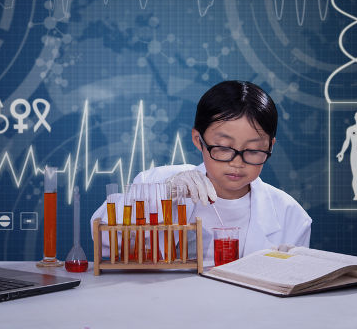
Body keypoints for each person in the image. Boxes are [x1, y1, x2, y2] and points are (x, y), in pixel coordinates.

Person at [90, 80, 312, 263]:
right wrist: (160, 196)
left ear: (270, 146)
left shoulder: (291, 215)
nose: (237, 162)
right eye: (224, 148)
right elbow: (105, 241)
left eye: (253, 150)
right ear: (198, 140)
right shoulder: (157, 182)